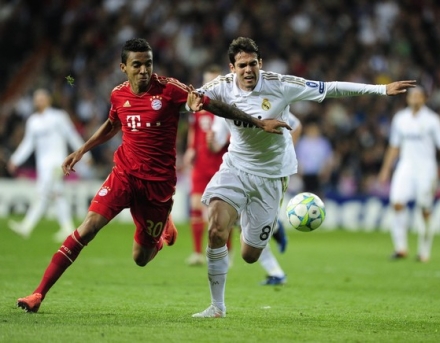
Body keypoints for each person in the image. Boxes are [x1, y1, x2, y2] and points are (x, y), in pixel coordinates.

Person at [16, 38, 289, 313]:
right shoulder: (118, 95)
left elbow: (212, 104)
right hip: (123, 175)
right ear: (124, 67)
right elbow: (113, 125)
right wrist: (82, 150)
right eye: (137, 65)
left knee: (141, 258)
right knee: (87, 228)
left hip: (157, 188)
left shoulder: (170, 90)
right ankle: (38, 293)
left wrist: (255, 121)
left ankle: (158, 236)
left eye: (148, 63)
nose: (144, 70)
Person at [191, 36, 416, 318]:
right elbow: (189, 100)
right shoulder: (221, 87)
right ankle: (217, 307)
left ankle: (264, 221)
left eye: (252, 64)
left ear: (260, 63)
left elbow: (330, 88)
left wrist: (382, 90)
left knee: (250, 255)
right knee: (216, 227)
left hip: (272, 175)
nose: (248, 70)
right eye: (241, 65)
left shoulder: (280, 84)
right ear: (231, 67)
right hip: (235, 167)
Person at [208, 109, 303, 286]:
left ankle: (273, 233)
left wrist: (286, 155)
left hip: (270, 175)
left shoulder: (266, 104)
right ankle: (275, 266)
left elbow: (296, 126)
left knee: (245, 226)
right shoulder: (221, 109)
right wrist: (211, 142)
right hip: (240, 173)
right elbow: (216, 144)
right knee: (240, 224)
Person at [378, 87, 440, 262]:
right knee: (396, 202)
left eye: (419, 96)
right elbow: (394, 146)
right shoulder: (400, 118)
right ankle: (401, 248)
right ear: (408, 99)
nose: (415, 98)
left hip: (426, 168)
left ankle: (424, 251)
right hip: (406, 166)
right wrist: (385, 169)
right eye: (412, 95)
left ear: (424, 99)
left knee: (424, 209)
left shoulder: (433, 120)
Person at [7, 88, 92, 242]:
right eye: (36, 98)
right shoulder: (33, 121)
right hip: (43, 166)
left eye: (41, 98)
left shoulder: (59, 117)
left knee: (43, 193)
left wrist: (85, 154)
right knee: (56, 195)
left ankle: (26, 226)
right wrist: (15, 159)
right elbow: (28, 143)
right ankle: (67, 228)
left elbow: (71, 135)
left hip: (57, 163)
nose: (39, 101)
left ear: (48, 100)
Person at [183, 65, 234, 267]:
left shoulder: (228, 108)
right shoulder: (199, 106)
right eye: (208, 82)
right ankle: (196, 253)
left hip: (222, 165)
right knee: (196, 206)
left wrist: (218, 143)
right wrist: (190, 149)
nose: (211, 86)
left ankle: (227, 254)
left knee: (221, 213)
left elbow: (235, 138)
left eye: (215, 82)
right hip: (201, 165)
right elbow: (194, 130)